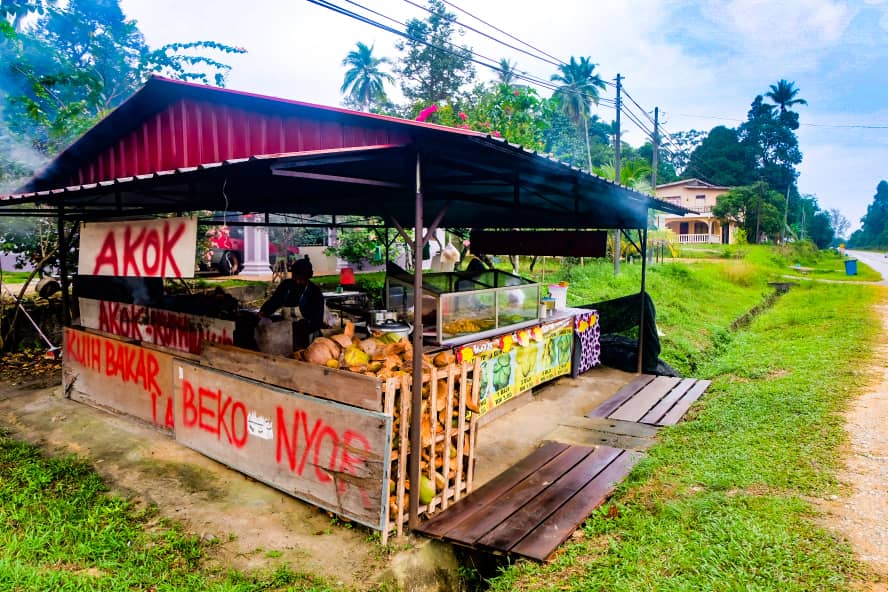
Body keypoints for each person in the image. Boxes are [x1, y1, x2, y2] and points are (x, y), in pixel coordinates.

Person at [259, 256, 325, 349]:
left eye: (301, 279)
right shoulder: (286, 285)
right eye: (295, 277)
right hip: (286, 329)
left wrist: (302, 329)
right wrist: (264, 311)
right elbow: (275, 301)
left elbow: (317, 321)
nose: (298, 281)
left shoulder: (314, 292)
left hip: (307, 333)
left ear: (308, 277)